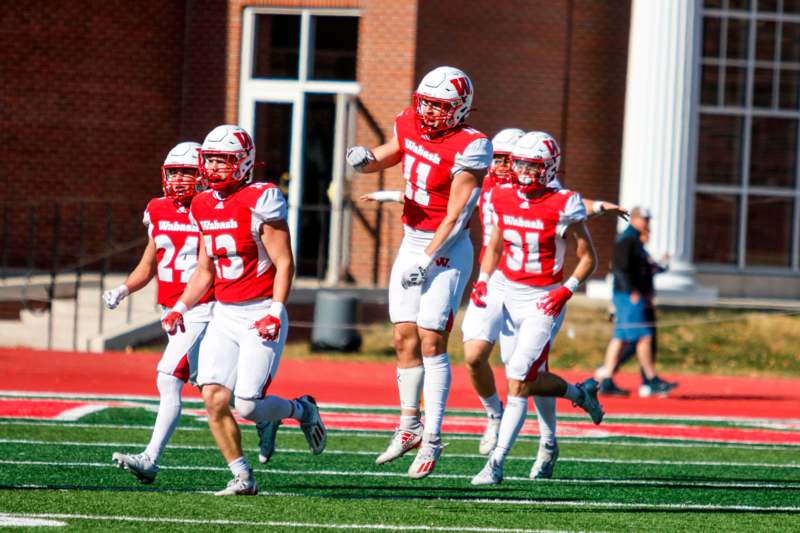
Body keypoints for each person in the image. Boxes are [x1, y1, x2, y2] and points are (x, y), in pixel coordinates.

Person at [161, 125, 326, 496]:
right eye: (212, 160)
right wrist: (181, 306)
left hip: (260, 311)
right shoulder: (202, 203)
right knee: (213, 398)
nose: (215, 168)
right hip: (225, 311)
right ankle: (242, 476)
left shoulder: (261, 198)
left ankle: (302, 410)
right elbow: (206, 269)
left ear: (244, 163)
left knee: (248, 406)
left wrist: (276, 309)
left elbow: (285, 263)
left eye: (224, 161)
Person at [346, 66, 492, 478]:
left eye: (440, 106)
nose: (429, 111)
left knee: (431, 339)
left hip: (446, 248)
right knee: (402, 336)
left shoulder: (472, 145)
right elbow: (396, 149)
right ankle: (409, 425)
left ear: (461, 108)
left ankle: (433, 436)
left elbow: (456, 214)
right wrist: (368, 161)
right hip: (413, 240)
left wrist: (427, 259)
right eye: (425, 102)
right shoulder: (411, 121)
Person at [460, 128, 628, 479]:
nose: (523, 172)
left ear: (550, 167)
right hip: (507, 291)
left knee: (520, 376)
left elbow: (588, 259)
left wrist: (564, 291)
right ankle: (579, 394)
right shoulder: (503, 194)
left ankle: (496, 463)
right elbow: (493, 246)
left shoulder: (564, 202)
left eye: (532, 166)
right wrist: (484, 281)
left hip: (542, 298)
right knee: (520, 374)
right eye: (519, 164)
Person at [105, 141, 214, 484]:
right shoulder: (156, 209)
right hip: (172, 311)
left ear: (203, 175)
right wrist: (123, 289)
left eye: (187, 172)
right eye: (174, 172)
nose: (180, 179)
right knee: (220, 391)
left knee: (169, 378)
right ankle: (289, 410)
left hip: (202, 308)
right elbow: (149, 263)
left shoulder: (211, 209)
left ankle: (150, 458)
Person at [595, 207, 677, 397]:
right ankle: (650, 379)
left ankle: (606, 379)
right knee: (644, 336)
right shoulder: (627, 240)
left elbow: (642, 269)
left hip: (627, 295)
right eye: (644, 219)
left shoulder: (635, 242)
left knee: (621, 338)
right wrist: (632, 291)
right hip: (628, 296)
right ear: (635, 219)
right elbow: (621, 269)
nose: (647, 223)